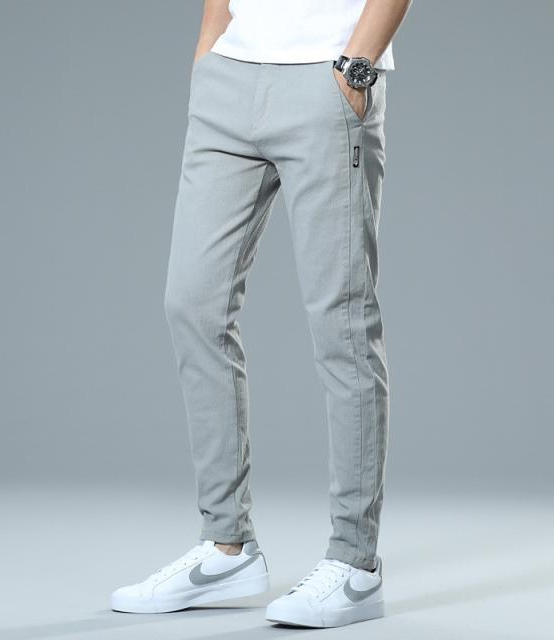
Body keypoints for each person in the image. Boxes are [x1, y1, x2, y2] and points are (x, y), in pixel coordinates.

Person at [111, 0, 411, 628]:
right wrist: (209, 56)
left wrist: (355, 69)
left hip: (328, 76)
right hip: (229, 79)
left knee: (342, 321)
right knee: (192, 303)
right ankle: (227, 547)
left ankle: (355, 563)